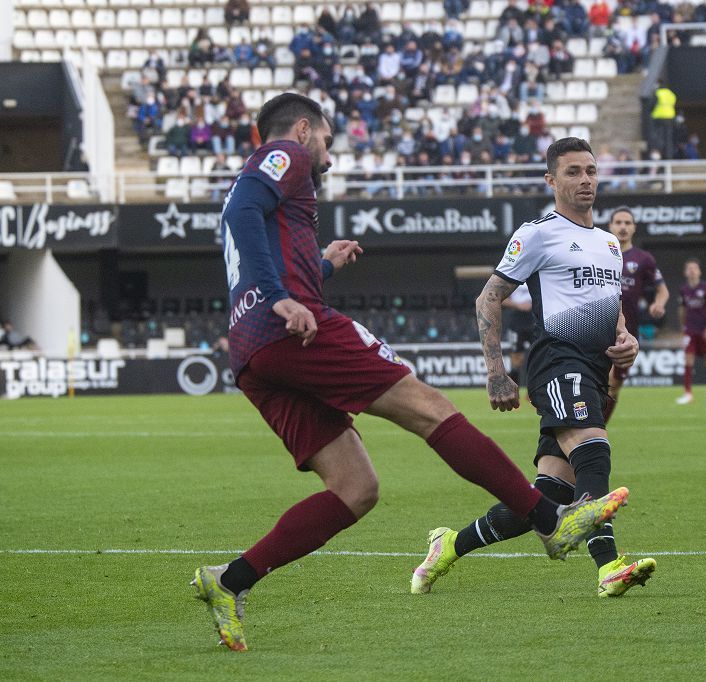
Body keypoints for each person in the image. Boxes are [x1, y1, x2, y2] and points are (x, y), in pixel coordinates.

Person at [191, 97, 628, 652]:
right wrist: (280, 298)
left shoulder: (277, 185)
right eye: (326, 140)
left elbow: (259, 240)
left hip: (253, 351)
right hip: (290, 328)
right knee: (431, 408)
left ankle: (228, 582)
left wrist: (322, 265)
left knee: (356, 489)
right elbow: (240, 215)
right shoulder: (286, 153)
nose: (327, 155)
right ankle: (551, 520)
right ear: (304, 129)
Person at [410, 138, 654, 599]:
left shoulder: (608, 244)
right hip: (555, 361)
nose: (585, 180)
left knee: (549, 496)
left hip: (594, 368)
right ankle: (609, 567)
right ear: (551, 180)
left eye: (590, 171)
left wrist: (628, 341)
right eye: (572, 172)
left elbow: (614, 309)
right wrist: (496, 371)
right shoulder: (538, 232)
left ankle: (448, 546)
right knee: (594, 452)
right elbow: (489, 296)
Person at [605, 206, 668, 421]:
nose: (623, 227)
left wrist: (658, 303)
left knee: (614, 385)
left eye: (627, 223)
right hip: (597, 326)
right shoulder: (597, 252)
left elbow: (662, 289)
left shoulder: (643, 259)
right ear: (610, 226)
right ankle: (589, 431)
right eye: (619, 222)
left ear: (634, 228)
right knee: (596, 381)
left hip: (628, 332)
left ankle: (598, 428)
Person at [675, 258, 706, 405]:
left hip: (704, 331)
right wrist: (683, 327)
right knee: (688, 360)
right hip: (690, 330)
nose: (692, 271)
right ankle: (688, 394)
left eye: (694, 268)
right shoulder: (683, 290)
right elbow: (682, 310)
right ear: (685, 272)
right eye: (689, 268)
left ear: (699, 271)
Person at [503, 283, 534, 385]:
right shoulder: (511, 274)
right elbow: (499, 297)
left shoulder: (538, 272)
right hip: (516, 319)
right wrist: (518, 305)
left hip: (535, 317)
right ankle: (514, 390)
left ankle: (535, 389)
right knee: (516, 357)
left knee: (539, 353)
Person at [651, 80, 676, 159]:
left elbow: (652, 105)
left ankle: (659, 155)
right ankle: (669, 156)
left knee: (659, 138)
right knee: (668, 138)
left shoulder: (657, 93)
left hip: (659, 117)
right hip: (669, 117)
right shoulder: (671, 94)